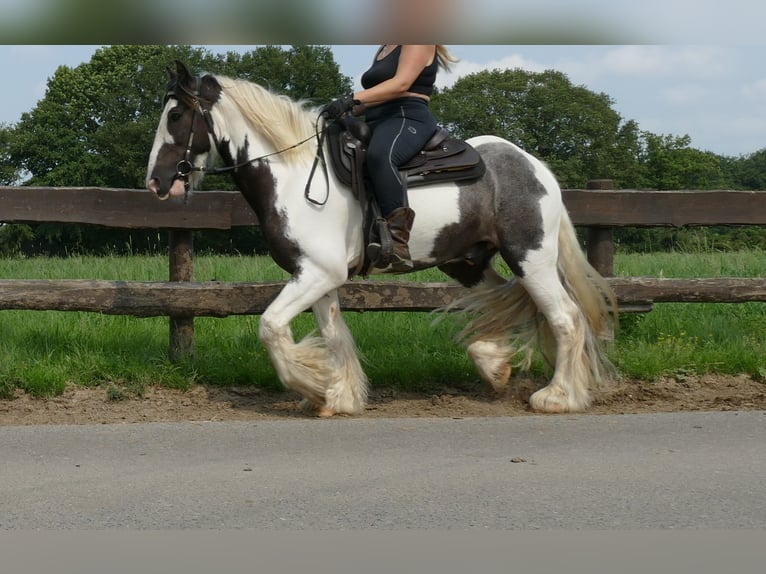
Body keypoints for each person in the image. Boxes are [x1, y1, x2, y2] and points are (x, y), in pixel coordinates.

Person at [322, 45, 457, 270]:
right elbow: (376, 96)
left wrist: (351, 98)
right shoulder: (385, 47)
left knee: (380, 155)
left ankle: (398, 242)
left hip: (406, 117)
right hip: (377, 119)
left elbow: (401, 84)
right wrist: (340, 111)